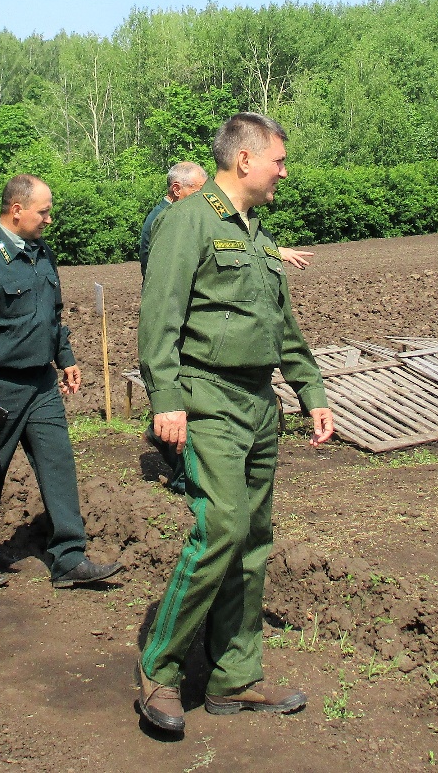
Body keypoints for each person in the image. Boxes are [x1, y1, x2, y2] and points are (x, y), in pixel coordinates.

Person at [134, 113, 336, 734]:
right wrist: (165, 398)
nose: (283, 171)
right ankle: (160, 672)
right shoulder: (187, 221)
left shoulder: (254, 232)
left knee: (252, 540)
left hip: (258, 401)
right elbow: (160, 312)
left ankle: (234, 678)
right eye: (278, 160)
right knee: (220, 526)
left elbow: (281, 324)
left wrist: (310, 388)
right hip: (207, 398)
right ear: (245, 160)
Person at [0, 174, 124, 590]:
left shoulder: (42, 254)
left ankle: (69, 557)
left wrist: (65, 358)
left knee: (58, 463)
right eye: (43, 211)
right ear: (17, 210)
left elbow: (53, 314)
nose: (49, 219)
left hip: (42, 384)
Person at [140, 161, 314, 277]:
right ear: (176, 190)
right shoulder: (167, 218)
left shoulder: (179, 215)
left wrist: (272, 251)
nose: (203, 196)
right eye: (198, 190)